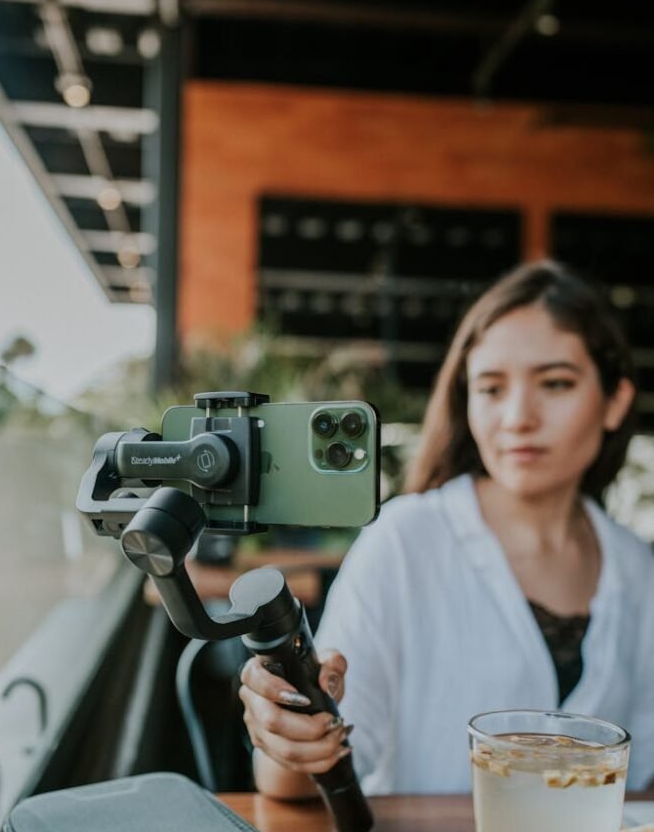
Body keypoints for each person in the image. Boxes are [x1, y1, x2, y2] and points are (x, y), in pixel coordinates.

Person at [239, 259, 654, 798]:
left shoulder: (638, 568)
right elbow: (310, 773)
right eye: (491, 388)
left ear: (615, 401)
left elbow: (642, 783)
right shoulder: (405, 542)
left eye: (555, 383)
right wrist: (287, 732)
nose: (517, 417)